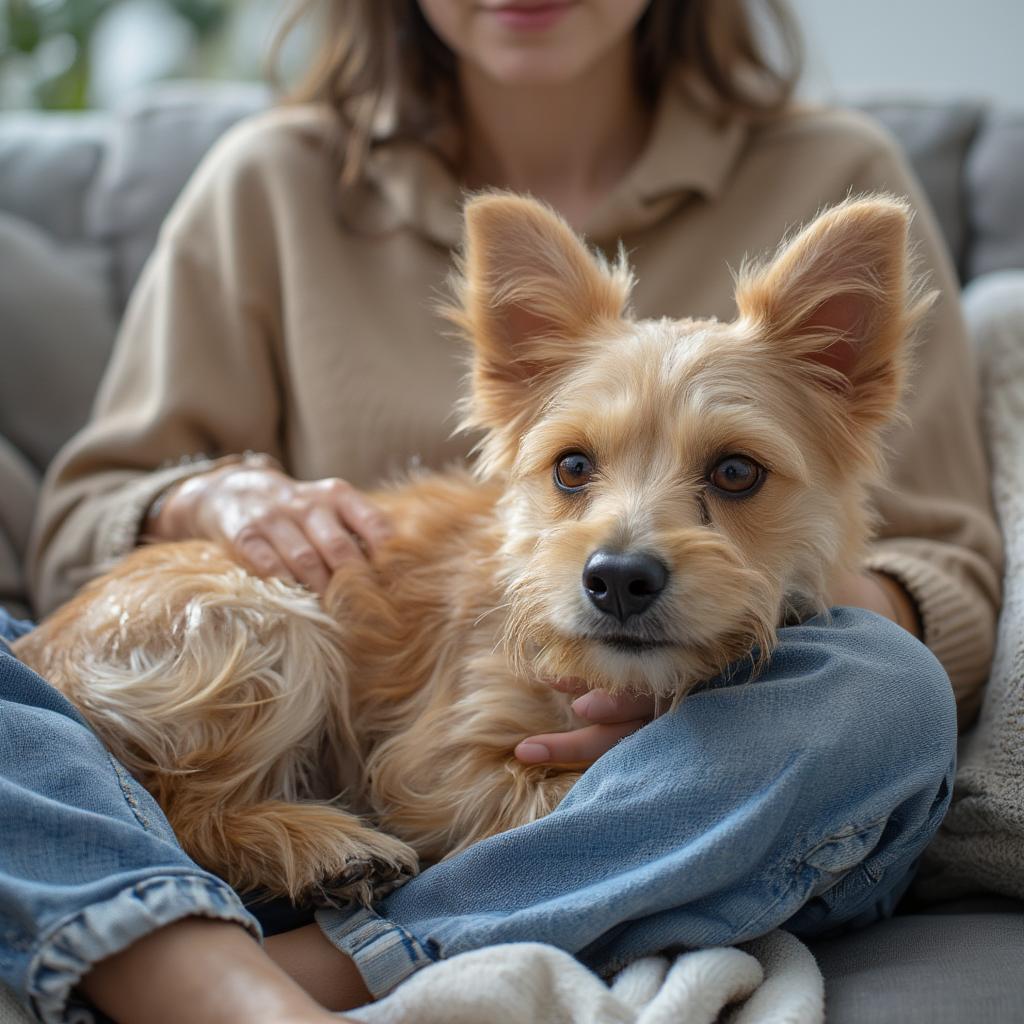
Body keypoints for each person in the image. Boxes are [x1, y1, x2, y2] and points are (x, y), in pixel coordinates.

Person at [1, 0, 1001, 1021]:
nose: (625, 548)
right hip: (238, 688)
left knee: (890, 692)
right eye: (574, 467)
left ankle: (258, 958)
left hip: (760, 710)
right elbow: (74, 531)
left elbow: (953, 575)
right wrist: (203, 491)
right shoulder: (265, 178)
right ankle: (228, 956)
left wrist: (748, 689)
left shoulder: (838, 171)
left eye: (733, 474)